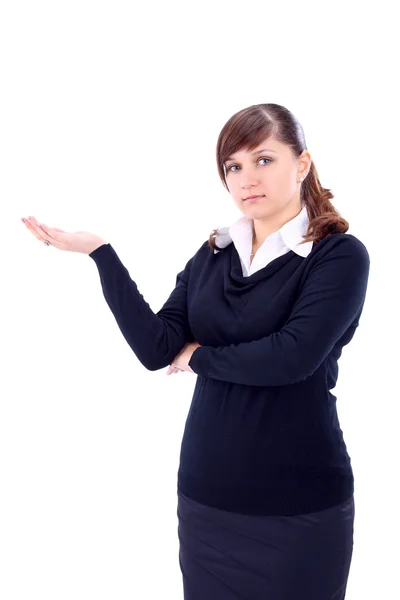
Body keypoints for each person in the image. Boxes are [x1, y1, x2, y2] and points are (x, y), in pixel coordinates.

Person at [21, 102, 370, 599]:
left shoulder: (337, 256)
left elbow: (291, 358)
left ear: (303, 164)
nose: (247, 177)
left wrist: (199, 356)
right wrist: (101, 254)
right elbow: (156, 346)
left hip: (299, 506)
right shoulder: (212, 255)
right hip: (208, 499)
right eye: (234, 166)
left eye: (264, 160)